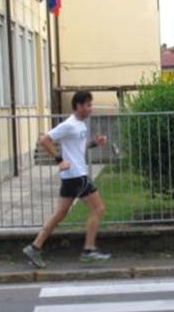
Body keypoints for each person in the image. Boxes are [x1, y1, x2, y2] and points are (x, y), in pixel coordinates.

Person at [22, 91, 111, 268]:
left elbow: (78, 147)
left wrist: (95, 143)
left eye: (91, 105)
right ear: (78, 106)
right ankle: (89, 250)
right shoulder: (69, 124)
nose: (90, 108)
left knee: (60, 214)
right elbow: (44, 140)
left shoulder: (80, 125)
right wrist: (59, 160)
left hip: (71, 176)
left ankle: (35, 247)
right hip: (77, 175)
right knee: (98, 208)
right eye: (88, 105)